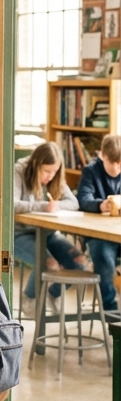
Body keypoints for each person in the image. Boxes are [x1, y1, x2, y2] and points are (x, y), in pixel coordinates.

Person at [13, 141, 87, 318]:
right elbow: (13, 204)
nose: (50, 176)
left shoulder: (55, 176)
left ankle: (52, 293)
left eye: (54, 172)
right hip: (19, 234)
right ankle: (29, 298)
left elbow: (73, 202)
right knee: (50, 264)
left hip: (48, 233)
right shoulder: (19, 170)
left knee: (80, 263)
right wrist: (44, 206)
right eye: (46, 171)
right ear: (36, 164)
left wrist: (56, 205)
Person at [77, 133, 121, 320]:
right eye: (114, 162)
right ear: (103, 155)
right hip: (99, 236)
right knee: (102, 254)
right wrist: (100, 205)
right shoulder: (91, 171)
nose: (118, 167)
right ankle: (111, 313)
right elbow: (83, 199)